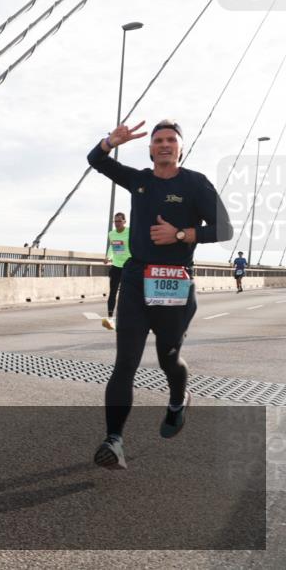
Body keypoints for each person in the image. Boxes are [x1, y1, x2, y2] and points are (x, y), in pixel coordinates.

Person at [87, 119, 232, 469]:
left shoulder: (195, 183)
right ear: (150, 149)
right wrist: (110, 141)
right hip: (137, 279)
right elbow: (97, 161)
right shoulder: (139, 180)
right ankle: (114, 440)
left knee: (168, 357)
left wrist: (181, 235)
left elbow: (224, 228)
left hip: (176, 281)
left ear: (180, 148)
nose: (164, 144)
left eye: (170, 140)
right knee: (126, 363)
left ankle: (179, 399)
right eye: (158, 140)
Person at [102, 212, 130, 330]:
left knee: (127, 294)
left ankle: (126, 318)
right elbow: (113, 247)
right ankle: (110, 319)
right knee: (112, 292)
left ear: (124, 221)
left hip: (129, 266)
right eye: (115, 221)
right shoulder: (112, 234)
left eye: (119, 221)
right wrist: (108, 257)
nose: (117, 223)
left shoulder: (130, 231)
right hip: (116, 266)